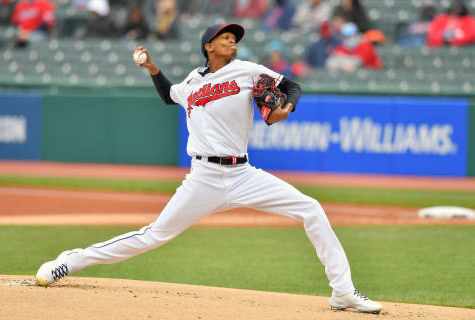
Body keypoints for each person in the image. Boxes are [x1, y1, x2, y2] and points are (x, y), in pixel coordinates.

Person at [35, 22, 383, 314]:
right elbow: (168, 94)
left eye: (235, 37)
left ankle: (343, 292)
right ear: (209, 46)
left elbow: (292, 84)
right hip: (203, 178)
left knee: (311, 209)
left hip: (244, 174)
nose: (233, 40)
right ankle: (71, 260)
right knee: (153, 235)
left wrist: (286, 107)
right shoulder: (193, 81)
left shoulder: (249, 71)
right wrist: (151, 68)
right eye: (225, 37)